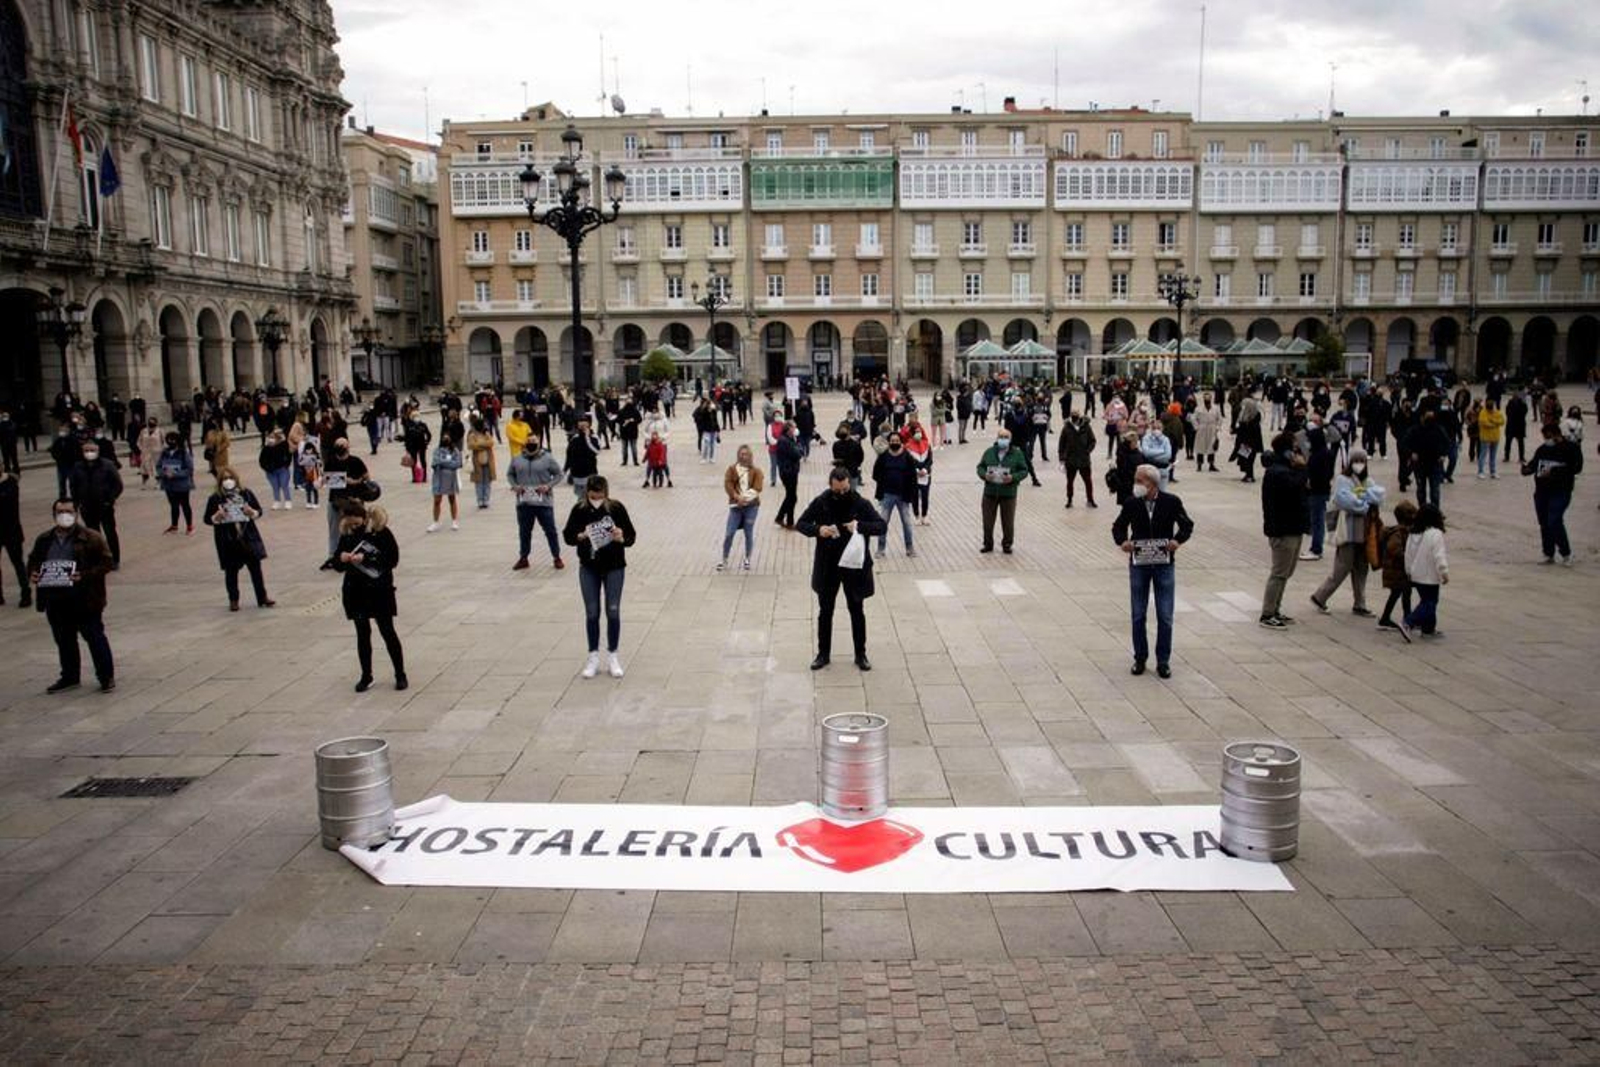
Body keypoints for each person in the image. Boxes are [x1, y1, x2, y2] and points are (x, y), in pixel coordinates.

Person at [796, 467, 887, 671]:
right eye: (838, 491)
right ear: (831, 486)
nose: (843, 493)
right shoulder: (822, 502)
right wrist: (819, 530)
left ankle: (860, 654)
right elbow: (801, 524)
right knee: (825, 611)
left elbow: (881, 526)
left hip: (853, 566)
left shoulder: (860, 502)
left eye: (846, 489)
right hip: (828, 566)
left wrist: (860, 526)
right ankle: (823, 654)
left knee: (857, 610)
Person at [1111, 465, 1194, 678]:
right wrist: (1123, 542)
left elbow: (1187, 525)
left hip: (1164, 564)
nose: (1136, 485)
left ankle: (1163, 660)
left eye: (1140, 481)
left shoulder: (1171, 502)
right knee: (1138, 614)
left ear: (1152, 483)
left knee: (1165, 615)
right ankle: (1140, 657)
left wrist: (1177, 540)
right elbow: (1118, 526)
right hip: (1140, 564)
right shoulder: (1132, 503)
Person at [27, 498, 115, 692]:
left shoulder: (91, 537)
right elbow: (34, 560)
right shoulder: (44, 539)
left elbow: (107, 563)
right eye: (60, 512)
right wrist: (33, 572)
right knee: (64, 639)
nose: (64, 516)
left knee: (94, 637)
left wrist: (83, 576)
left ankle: (105, 676)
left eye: (68, 511)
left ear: (76, 514)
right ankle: (69, 676)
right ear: (54, 515)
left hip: (85, 598)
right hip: (55, 597)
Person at [562, 475, 637, 679]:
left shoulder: (616, 508)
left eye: (600, 496)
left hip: (614, 566)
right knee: (592, 612)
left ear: (606, 493)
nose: (597, 499)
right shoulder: (579, 510)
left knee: (613, 610)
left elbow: (631, 536)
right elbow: (568, 535)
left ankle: (613, 654)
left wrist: (621, 537)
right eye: (593, 496)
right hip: (589, 567)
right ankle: (593, 655)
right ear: (587, 493)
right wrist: (581, 536)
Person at [333, 501, 407, 691]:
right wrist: (341, 558)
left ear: (364, 517)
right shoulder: (347, 533)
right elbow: (336, 563)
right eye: (350, 524)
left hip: (378, 590)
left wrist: (367, 558)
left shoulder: (380, 531)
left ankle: (400, 674)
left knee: (387, 631)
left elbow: (392, 559)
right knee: (362, 634)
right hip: (355, 591)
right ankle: (366, 675)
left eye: (356, 523)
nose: (353, 527)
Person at [1310, 448, 1385, 617]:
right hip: (1347, 532)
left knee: (1361, 568)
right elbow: (1345, 500)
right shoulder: (1343, 479)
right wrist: (1365, 502)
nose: (1359, 465)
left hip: (1364, 533)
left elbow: (1379, 496)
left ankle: (1360, 603)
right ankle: (1320, 596)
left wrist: (1360, 496)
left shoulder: (1367, 480)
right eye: (1356, 461)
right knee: (1342, 567)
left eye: (1362, 461)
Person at [202, 468, 275, 611]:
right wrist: (216, 517)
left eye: (230, 478)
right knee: (231, 571)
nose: (228, 481)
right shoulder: (215, 498)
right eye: (224, 479)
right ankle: (233, 600)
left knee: (255, 569)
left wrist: (251, 512)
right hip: (227, 539)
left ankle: (262, 597)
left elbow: (258, 511)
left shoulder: (245, 494)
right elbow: (207, 519)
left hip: (247, 536)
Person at [1258, 433, 1308, 629]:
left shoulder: (1285, 469)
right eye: (1295, 448)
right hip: (1282, 529)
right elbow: (1294, 488)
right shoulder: (1278, 472)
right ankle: (1268, 613)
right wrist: (1302, 469)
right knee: (1279, 573)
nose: (1297, 452)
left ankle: (1276, 609)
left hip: (1293, 526)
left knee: (1286, 572)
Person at [1523, 422, 1583, 566]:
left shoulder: (1571, 448)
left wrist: (1555, 471)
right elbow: (1534, 464)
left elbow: (1577, 467)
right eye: (1544, 437)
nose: (1546, 439)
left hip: (1561, 491)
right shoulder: (1542, 449)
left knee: (1554, 520)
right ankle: (1548, 553)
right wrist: (1527, 469)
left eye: (1548, 436)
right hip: (1542, 491)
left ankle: (1566, 553)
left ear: (1557, 434)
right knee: (1544, 523)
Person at [508, 435, 566, 572]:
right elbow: (510, 474)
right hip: (524, 503)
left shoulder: (548, 458)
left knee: (550, 531)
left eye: (534, 442)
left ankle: (556, 556)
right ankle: (524, 558)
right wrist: (515, 486)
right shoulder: (517, 459)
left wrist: (548, 486)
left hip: (543, 503)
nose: (531, 444)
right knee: (524, 532)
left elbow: (559, 474)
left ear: (539, 443)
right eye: (529, 442)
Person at [68, 438, 124, 568]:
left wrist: (110, 499)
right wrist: (76, 503)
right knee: (92, 535)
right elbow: (73, 486)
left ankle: (115, 559)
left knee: (110, 532)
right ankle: (98, 558)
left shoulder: (107, 465)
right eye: (86, 450)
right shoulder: (78, 467)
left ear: (98, 451)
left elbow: (118, 485)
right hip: (87, 506)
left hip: (104, 505)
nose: (89, 453)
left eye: (92, 450)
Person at [976, 428, 1031, 554]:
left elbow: (1024, 470)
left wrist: (1013, 477)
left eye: (1006, 437)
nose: (1003, 440)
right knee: (987, 521)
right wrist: (985, 475)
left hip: (1008, 493)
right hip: (990, 492)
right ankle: (988, 544)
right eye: (1001, 437)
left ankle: (1007, 544)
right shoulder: (989, 452)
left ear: (1010, 440)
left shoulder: (1017, 453)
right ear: (997, 438)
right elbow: (980, 467)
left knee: (1008, 521)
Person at [1400, 504, 1448, 639]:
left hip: (1416, 574)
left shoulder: (1414, 533)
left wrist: (1408, 570)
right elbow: (1439, 555)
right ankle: (1408, 622)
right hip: (1430, 575)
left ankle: (1428, 628)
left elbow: (1408, 554)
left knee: (1427, 600)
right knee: (1430, 603)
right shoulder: (1435, 534)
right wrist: (1444, 572)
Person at [871, 431, 918, 559]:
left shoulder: (907, 456)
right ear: (889, 442)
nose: (895, 443)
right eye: (892, 441)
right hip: (887, 495)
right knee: (883, 522)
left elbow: (913, 477)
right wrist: (884, 482)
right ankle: (881, 549)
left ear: (900, 441)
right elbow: (875, 473)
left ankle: (909, 548)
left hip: (903, 496)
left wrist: (912, 494)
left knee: (907, 523)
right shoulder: (884, 456)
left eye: (897, 440)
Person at [1377, 499, 1418, 639]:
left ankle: (1407, 617)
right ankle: (1386, 619)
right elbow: (1394, 549)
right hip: (1396, 571)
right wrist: (1406, 556)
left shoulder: (1403, 531)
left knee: (1405, 593)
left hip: (1398, 571)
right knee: (1397, 594)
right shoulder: (1398, 533)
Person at [720, 444, 764, 571]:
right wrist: (736, 496)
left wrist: (743, 498)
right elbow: (727, 484)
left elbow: (757, 488)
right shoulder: (732, 469)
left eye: (746, 454)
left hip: (751, 507)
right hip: (735, 506)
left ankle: (747, 558)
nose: (743, 456)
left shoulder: (756, 471)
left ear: (750, 456)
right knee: (729, 533)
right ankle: (725, 558)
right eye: (741, 454)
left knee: (748, 532)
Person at [1299, 422, 1334, 562]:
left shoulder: (1319, 455)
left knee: (1317, 521)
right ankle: (1315, 547)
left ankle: (1316, 548)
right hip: (1322, 490)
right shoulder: (1325, 453)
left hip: (1317, 491)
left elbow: (1320, 474)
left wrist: (1310, 481)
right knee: (1317, 520)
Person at [155, 432, 196, 534]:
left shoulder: (183, 453)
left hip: (182, 485)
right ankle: (174, 526)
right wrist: (163, 473)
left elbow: (189, 469)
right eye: (168, 439)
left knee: (185, 505)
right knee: (173, 505)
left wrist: (176, 474)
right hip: (169, 484)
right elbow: (159, 466)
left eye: (173, 439)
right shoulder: (165, 452)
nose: (170, 442)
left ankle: (189, 526)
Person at [0, 470, 28, 607]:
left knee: (18, 563)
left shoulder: (11, 483)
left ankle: (25, 593)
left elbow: (8, 501)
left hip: (11, 530)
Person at [1057, 409, 1097, 508]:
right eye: (1073, 415)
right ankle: (1069, 500)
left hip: (1084, 459)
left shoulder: (1086, 427)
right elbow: (1061, 444)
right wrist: (1062, 458)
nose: (1075, 417)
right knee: (1070, 481)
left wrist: (1088, 451)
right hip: (1071, 459)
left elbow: (1092, 440)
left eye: (1076, 415)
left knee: (1088, 481)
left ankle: (1090, 499)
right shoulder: (1066, 428)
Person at [427, 432, 463, 532]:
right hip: (438, 478)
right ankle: (435, 522)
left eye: (447, 437)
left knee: (452, 499)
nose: (446, 439)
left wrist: (443, 462)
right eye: (444, 437)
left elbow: (457, 464)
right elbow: (435, 462)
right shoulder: (437, 450)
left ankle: (454, 521)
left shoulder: (455, 450)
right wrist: (448, 462)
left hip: (451, 478)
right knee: (437, 501)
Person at [773, 422, 802, 529]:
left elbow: (798, 452)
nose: (795, 429)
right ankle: (788, 521)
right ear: (788, 429)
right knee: (792, 497)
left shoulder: (790, 439)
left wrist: (797, 446)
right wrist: (798, 446)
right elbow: (797, 454)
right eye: (793, 427)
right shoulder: (784, 441)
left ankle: (781, 517)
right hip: (788, 472)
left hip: (792, 471)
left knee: (791, 496)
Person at [565, 417, 602, 497]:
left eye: (585, 425)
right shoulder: (574, 438)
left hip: (590, 472)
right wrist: (566, 469)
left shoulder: (594, 438)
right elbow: (569, 455)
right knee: (579, 496)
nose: (583, 428)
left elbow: (596, 451)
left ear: (589, 425)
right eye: (581, 425)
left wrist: (587, 438)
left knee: (587, 497)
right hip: (576, 473)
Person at [466, 417, 497, 510]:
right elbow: (471, 445)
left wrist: (479, 444)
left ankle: (486, 499)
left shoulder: (486, 434)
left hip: (488, 461)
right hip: (477, 462)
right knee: (479, 482)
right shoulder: (472, 435)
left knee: (487, 482)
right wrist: (484, 445)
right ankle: (480, 500)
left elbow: (491, 443)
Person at [1192, 394, 1221, 472]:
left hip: (1212, 428)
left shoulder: (1216, 408)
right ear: (1204, 399)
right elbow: (1194, 418)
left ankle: (1211, 464)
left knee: (1211, 447)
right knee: (1200, 447)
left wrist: (1217, 427)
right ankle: (1199, 464)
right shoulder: (1198, 409)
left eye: (1209, 398)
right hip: (1202, 428)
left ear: (1211, 399)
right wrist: (1197, 427)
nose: (1207, 400)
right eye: (1206, 398)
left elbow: (1219, 419)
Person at [1477, 399, 1505, 479]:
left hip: (1495, 437)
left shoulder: (1497, 412)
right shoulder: (1483, 413)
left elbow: (1502, 421)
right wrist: (1496, 424)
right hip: (1485, 438)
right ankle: (1480, 472)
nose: (1493, 409)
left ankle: (1493, 472)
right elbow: (1484, 423)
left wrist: (1493, 421)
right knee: (1483, 455)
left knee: (1493, 456)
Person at [1503, 390, 1529, 464]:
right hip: (1511, 425)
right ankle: (1506, 456)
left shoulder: (1522, 404)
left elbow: (1524, 412)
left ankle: (1521, 457)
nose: (1515, 397)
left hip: (1519, 425)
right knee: (1508, 442)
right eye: (1514, 396)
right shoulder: (1510, 403)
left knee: (1520, 442)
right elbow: (1507, 412)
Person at [135, 418, 162, 488]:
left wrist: (162, 449)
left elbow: (164, 441)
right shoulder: (143, 431)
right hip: (145, 452)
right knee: (144, 468)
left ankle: (158, 482)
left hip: (157, 452)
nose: (151, 424)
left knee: (156, 467)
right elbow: (139, 441)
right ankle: (144, 482)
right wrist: (141, 448)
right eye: (150, 422)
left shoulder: (159, 431)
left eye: (153, 423)